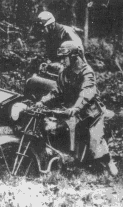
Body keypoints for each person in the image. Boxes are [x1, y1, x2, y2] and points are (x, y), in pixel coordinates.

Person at [35, 41, 118, 176]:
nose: (62, 60)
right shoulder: (64, 72)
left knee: (94, 144)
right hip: (72, 111)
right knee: (55, 131)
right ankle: (65, 164)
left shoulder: (87, 72)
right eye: (61, 57)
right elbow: (57, 91)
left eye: (64, 57)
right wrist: (42, 102)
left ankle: (108, 163)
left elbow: (86, 93)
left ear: (74, 56)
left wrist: (76, 107)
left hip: (91, 113)